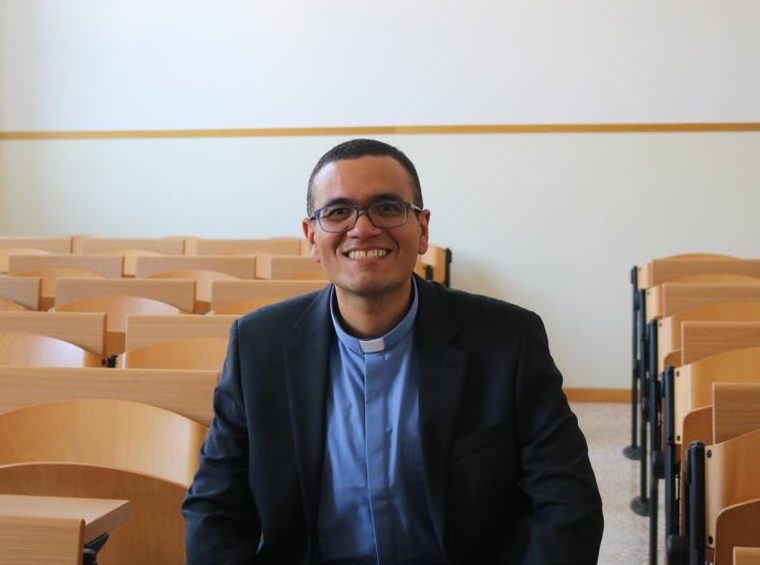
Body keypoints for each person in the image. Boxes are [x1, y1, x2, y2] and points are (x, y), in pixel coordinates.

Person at [182, 139, 604, 564]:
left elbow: (568, 503)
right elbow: (215, 510)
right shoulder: (259, 347)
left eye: (386, 207)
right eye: (338, 212)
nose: (363, 228)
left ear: (422, 229)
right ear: (311, 237)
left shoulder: (508, 341)